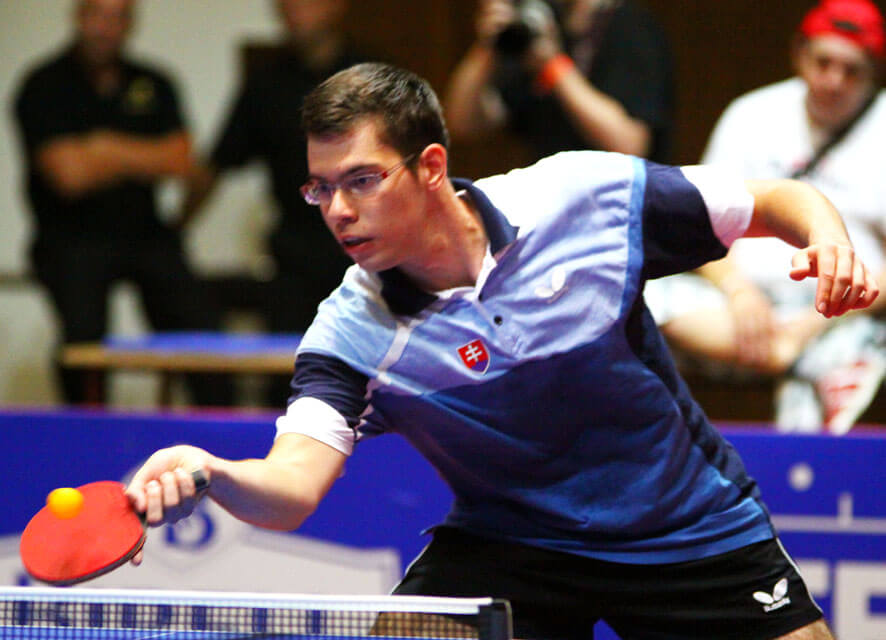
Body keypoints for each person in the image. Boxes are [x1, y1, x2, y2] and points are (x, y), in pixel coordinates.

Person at [125, 62, 878, 639]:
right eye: (322, 189)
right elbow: (292, 487)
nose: (340, 211)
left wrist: (830, 241)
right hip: (514, 542)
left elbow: (772, 200)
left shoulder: (581, 200)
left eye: (362, 180)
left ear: (430, 166)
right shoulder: (352, 332)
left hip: (684, 528)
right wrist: (212, 471)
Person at [644, 0, 886, 433]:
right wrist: (740, 293)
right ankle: (786, 357)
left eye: (851, 71)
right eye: (823, 63)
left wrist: (813, 323)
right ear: (800, 54)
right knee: (640, 295)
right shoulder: (752, 115)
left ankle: (809, 358)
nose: (834, 80)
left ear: (873, 73)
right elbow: (699, 223)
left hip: (843, 312)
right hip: (738, 308)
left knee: (856, 347)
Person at [12, 0, 232, 406]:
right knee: (83, 338)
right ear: (79, 16)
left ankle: (218, 427)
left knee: (200, 326)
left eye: (117, 18)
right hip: (70, 236)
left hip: (144, 233)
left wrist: (103, 148)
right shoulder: (44, 85)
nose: (106, 28)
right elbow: (68, 177)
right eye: (98, 15)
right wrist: (142, 157)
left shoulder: (153, 81)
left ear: (130, 24)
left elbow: (181, 160)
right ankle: (86, 429)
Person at [180, 0, 367, 406]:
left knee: (368, 376)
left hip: (365, 252)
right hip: (294, 255)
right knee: (288, 381)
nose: (292, 9)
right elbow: (218, 163)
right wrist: (175, 228)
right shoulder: (267, 85)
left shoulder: (371, 78)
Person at [444, 0, 673, 162]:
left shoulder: (630, 27)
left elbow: (629, 145)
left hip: (616, 209)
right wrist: (490, 45)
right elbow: (463, 122)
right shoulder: (540, 29)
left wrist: (553, 65)